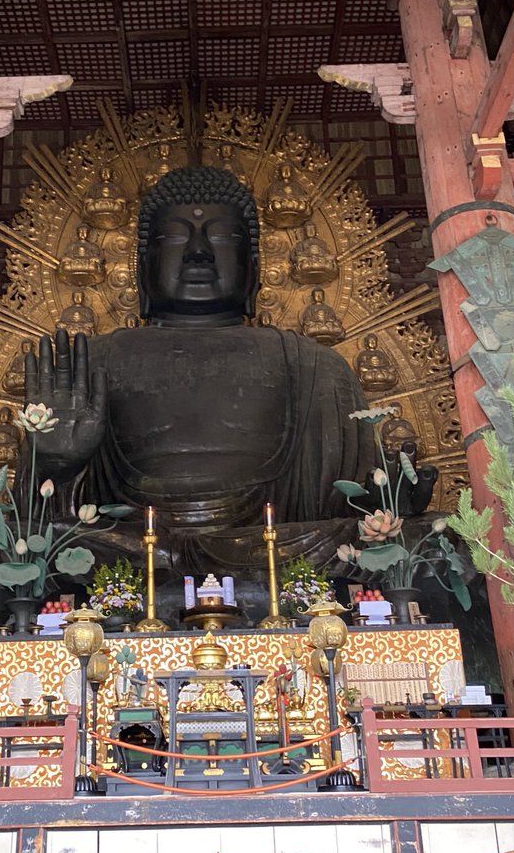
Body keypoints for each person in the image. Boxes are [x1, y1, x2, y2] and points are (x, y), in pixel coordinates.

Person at [24, 166, 375, 561]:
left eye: (223, 237)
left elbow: (355, 506)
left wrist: (394, 503)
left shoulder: (315, 365)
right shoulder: (92, 362)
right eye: (174, 237)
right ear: (142, 268)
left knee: (418, 541)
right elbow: (31, 519)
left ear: (255, 268)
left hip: (275, 552)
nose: (198, 252)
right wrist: (56, 463)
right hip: (128, 550)